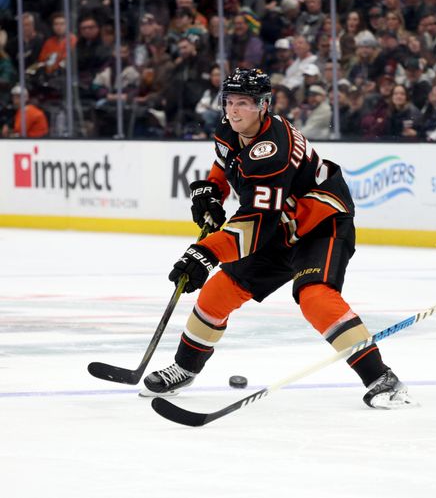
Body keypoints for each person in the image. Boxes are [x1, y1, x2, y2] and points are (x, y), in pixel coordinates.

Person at [141, 68, 417, 410]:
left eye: (244, 103)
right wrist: (212, 191)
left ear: (263, 105)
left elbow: (256, 224)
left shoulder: (273, 150)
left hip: (320, 222)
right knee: (216, 294)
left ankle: (380, 377)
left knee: (314, 296)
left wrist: (205, 252)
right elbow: (225, 164)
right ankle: (184, 368)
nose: (234, 110)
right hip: (279, 226)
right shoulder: (230, 127)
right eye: (229, 101)